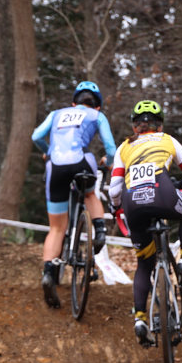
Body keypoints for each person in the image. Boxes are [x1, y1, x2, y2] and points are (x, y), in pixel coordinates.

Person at [107, 100, 182, 346]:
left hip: (133, 203)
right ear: (159, 125)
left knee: (144, 263)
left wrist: (115, 207)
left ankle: (140, 318)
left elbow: (115, 189)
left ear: (135, 126)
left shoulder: (124, 147)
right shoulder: (168, 140)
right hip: (164, 194)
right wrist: (179, 185)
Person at [32, 81, 116, 308]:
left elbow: (36, 136)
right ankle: (99, 230)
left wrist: (48, 152)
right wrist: (108, 162)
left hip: (56, 166)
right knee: (89, 195)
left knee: (56, 228)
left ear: (73, 102)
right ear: (96, 106)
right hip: (81, 162)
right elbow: (110, 147)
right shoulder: (97, 116)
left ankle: (49, 272)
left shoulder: (57, 113)